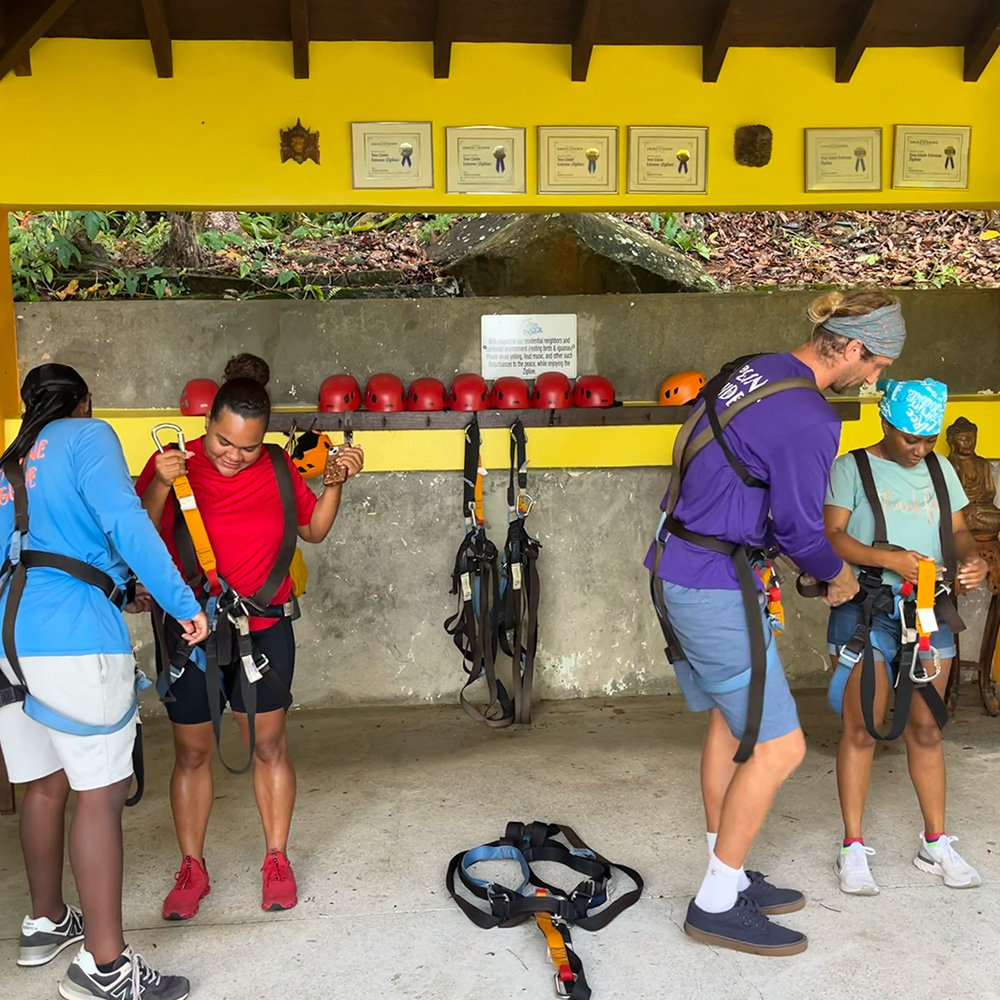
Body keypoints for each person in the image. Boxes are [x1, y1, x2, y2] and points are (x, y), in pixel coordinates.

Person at [647, 290, 906, 956]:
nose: (875, 380)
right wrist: (837, 575)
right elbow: (799, 526)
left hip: (682, 562)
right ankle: (714, 904)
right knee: (781, 747)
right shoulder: (812, 417)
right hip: (715, 585)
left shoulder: (753, 367)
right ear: (850, 349)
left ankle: (723, 874)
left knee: (729, 727)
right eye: (876, 365)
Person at [0, 364, 208, 1000]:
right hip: (74, 641)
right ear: (83, 402)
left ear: (28, 403)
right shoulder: (88, 438)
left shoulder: (9, 463)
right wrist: (183, 603)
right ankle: (105, 967)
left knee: (43, 781)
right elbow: (127, 523)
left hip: (9, 644)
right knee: (101, 791)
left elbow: (39, 551)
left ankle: (45, 921)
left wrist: (117, 583)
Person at [136, 356, 364, 920]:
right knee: (192, 753)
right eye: (221, 441)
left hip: (264, 629)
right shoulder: (173, 464)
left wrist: (333, 482)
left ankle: (276, 857)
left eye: (246, 446)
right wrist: (162, 485)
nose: (232, 456)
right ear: (207, 421)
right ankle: (192, 866)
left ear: (264, 438)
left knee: (268, 746)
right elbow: (138, 531)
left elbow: (312, 529)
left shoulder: (281, 469)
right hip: (191, 631)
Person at [825, 378, 988, 895]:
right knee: (862, 727)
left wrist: (971, 557)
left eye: (928, 438)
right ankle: (852, 847)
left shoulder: (940, 469)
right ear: (884, 424)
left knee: (926, 728)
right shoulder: (852, 468)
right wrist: (890, 559)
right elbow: (832, 536)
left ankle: (934, 842)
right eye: (908, 438)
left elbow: (959, 530)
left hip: (926, 614)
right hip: (865, 609)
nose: (919, 449)